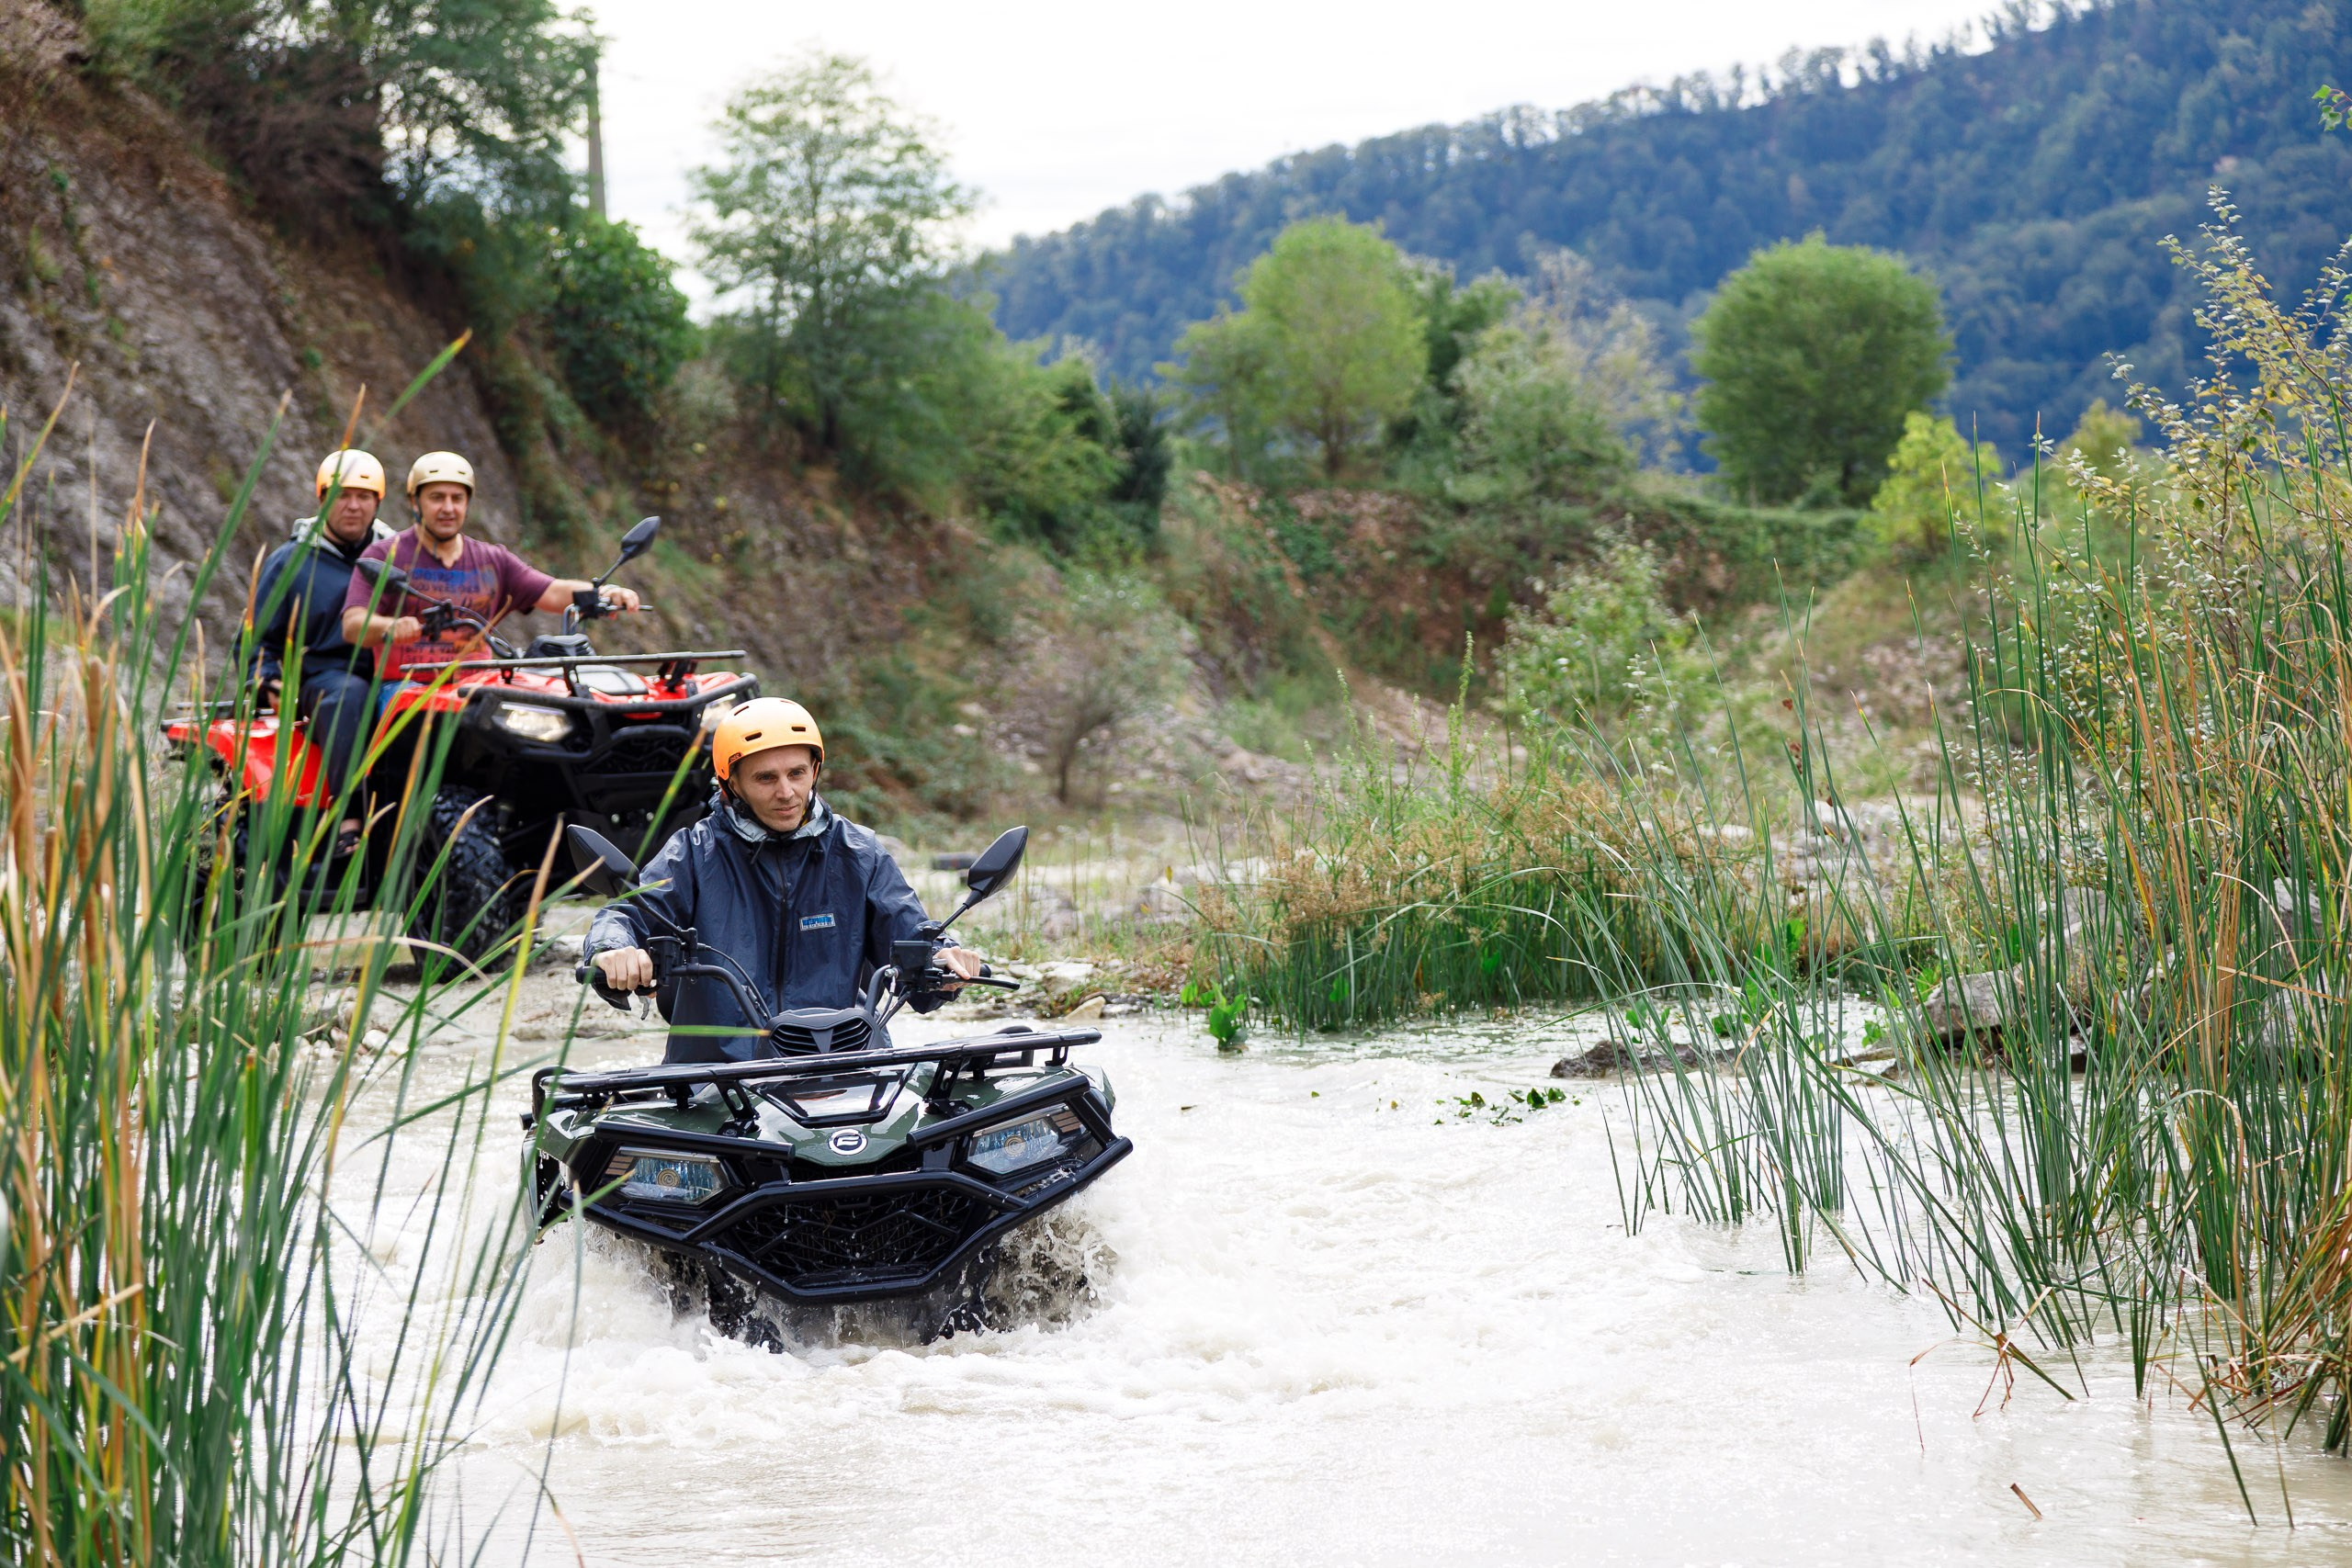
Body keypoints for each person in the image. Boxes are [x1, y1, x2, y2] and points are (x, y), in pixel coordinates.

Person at [583, 698, 985, 1063]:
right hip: (720, 1078)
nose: (787, 792)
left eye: (797, 773)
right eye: (765, 778)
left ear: (815, 771)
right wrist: (613, 949)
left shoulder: (859, 851)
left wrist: (943, 958)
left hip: (842, 1065)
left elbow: (911, 934)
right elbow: (626, 914)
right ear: (732, 783)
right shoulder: (694, 851)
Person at [337, 450, 642, 681]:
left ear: (467, 504)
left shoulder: (492, 560)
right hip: (406, 688)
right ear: (415, 503)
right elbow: (353, 627)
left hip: (480, 687)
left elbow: (552, 591)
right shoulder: (382, 555)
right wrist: (391, 626)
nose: (448, 508)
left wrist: (605, 592)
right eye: (436, 498)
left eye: (457, 498)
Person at [248, 448, 396, 851]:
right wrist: (266, 683)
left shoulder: (397, 556)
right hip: (327, 678)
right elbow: (257, 640)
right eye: (341, 495)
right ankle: (349, 814)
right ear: (322, 499)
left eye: (363, 496)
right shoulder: (290, 562)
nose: (352, 506)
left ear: (377, 502)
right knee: (350, 693)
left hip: (396, 671)